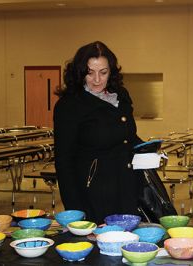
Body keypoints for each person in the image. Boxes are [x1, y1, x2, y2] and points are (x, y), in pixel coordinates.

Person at [53, 41, 143, 224]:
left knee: (127, 241)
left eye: (103, 72)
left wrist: (146, 148)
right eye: (90, 72)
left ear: (111, 72)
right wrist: (75, 211)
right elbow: (64, 161)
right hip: (94, 193)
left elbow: (127, 136)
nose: (96, 80)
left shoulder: (121, 96)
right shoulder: (70, 105)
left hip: (126, 185)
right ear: (80, 72)